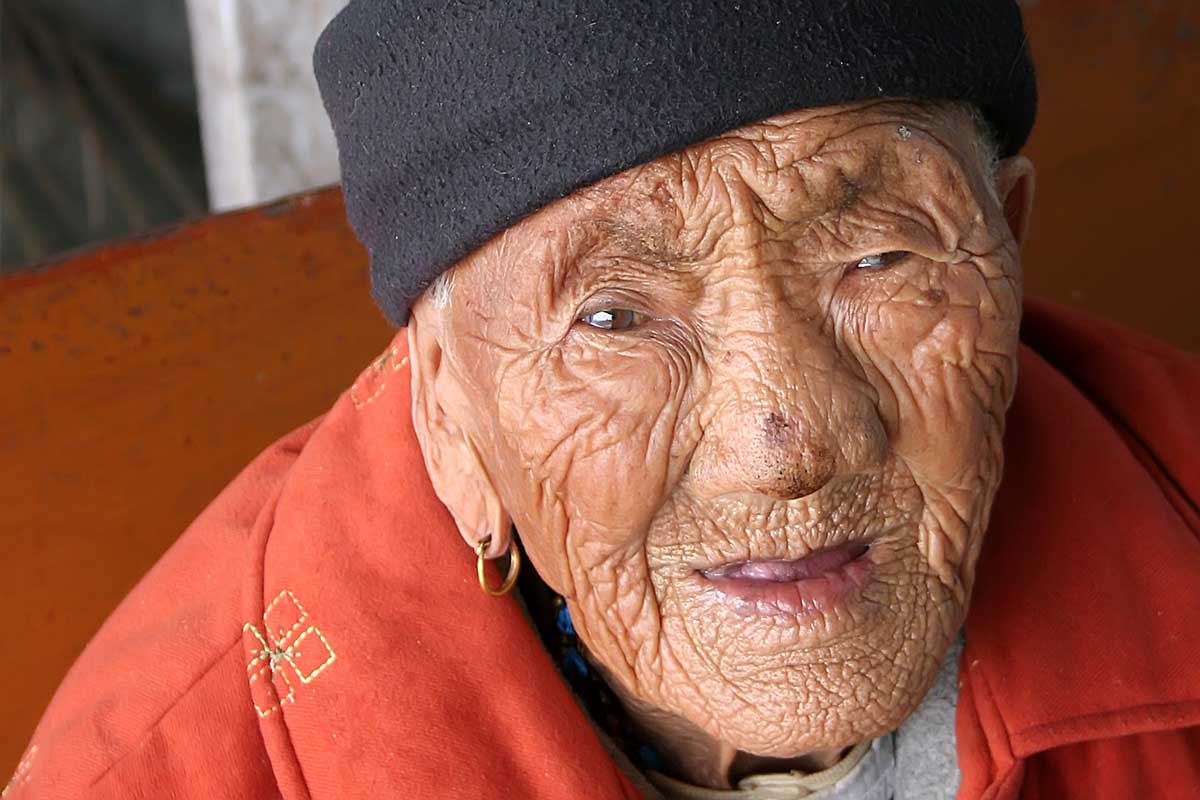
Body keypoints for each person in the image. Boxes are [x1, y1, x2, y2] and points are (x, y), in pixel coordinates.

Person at [8, 2, 1199, 798]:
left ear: (1008, 246)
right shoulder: (175, 766)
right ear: (448, 404)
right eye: (614, 318)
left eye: (879, 258)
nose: (782, 441)